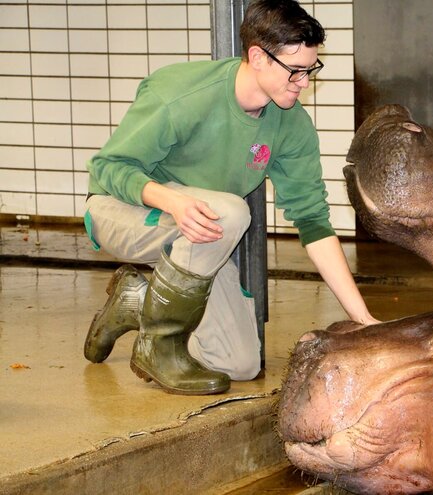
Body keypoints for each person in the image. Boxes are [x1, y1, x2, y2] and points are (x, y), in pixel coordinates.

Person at [82, 0, 379, 395]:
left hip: (201, 234)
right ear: (257, 57)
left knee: (239, 364)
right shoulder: (182, 95)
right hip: (122, 210)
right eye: (295, 71)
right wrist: (170, 201)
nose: (304, 82)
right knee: (231, 212)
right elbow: (107, 168)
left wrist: (363, 318)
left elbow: (312, 221)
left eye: (311, 70)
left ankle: (138, 300)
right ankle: (159, 346)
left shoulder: (290, 125)